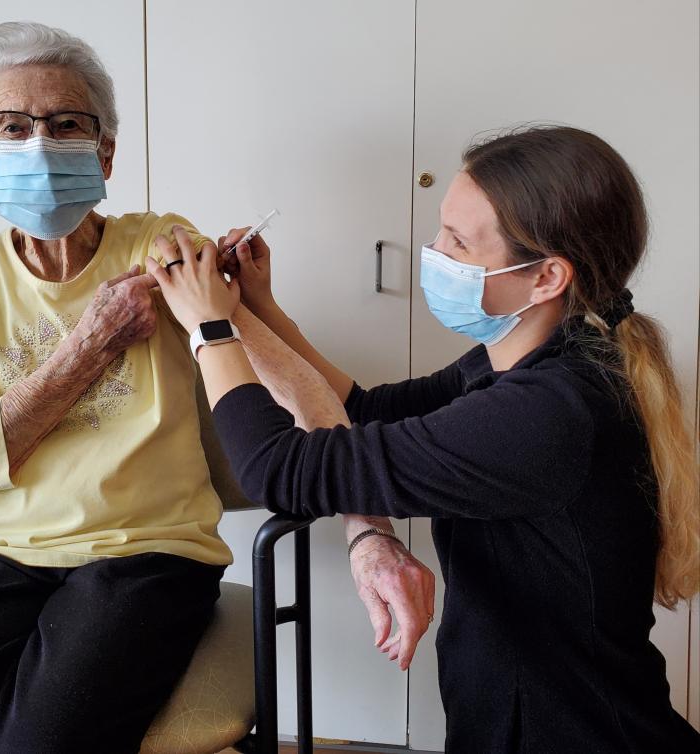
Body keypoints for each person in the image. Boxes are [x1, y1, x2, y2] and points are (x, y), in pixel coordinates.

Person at [146, 125, 700, 753]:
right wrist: (257, 307)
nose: (432, 252)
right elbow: (366, 412)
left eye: (458, 243)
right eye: (442, 230)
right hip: (524, 711)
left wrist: (209, 328)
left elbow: (279, 468)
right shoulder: (528, 359)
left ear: (547, 276)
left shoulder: (546, 412)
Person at [0, 22, 232, 754]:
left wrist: (230, 307)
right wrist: (92, 344)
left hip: (147, 551)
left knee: (36, 743)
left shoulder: (158, 242)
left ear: (105, 150)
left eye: (66, 124)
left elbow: (248, 364)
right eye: (10, 127)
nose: (39, 144)